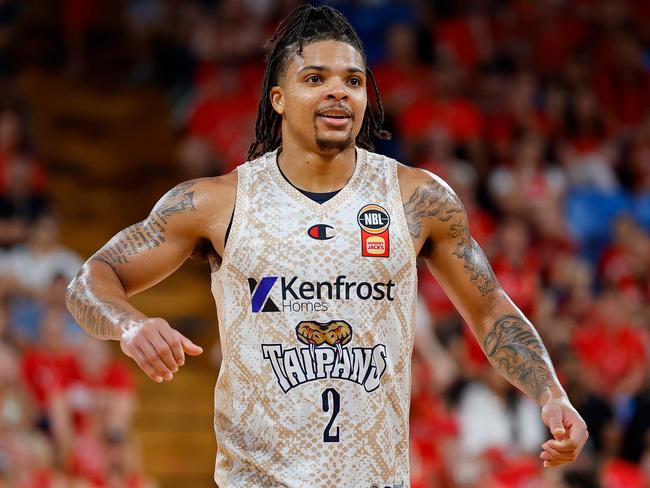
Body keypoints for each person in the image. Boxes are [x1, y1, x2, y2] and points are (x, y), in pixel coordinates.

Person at [65, 5, 588, 487]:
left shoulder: (418, 198)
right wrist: (130, 325)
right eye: (315, 78)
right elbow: (91, 279)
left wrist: (550, 392)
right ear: (279, 97)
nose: (338, 91)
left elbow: (490, 307)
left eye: (353, 81)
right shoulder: (218, 202)